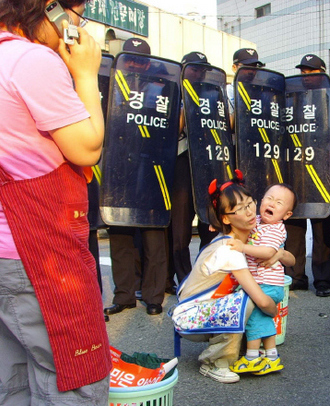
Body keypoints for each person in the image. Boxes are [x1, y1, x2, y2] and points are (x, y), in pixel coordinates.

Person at [0, 0, 111, 403]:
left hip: (6, 256)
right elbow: (86, 146)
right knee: (73, 373)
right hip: (38, 253)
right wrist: (85, 73)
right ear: (51, 10)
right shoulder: (30, 60)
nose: (78, 25)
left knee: (12, 377)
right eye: (77, 13)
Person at [174, 177, 282, 384]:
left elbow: (285, 255)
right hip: (190, 318)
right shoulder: (230, 249)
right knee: (246, 300)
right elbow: (261, 300)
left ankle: (239, 347)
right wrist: (274, 312)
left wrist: (278, 254)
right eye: (240, 209)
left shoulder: (240, 240)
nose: (250, 212)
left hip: (201, 310)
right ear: (225, 219)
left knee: (245, 298)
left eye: (250, 203)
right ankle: (215, 362)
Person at [104, 37, 169, 316]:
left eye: (139, 60)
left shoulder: (161, 88)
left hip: (152, 166)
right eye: (129, 59)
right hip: (118, 166)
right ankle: (125, 295)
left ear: (147, 63)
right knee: (119, 233)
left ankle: (154, 296)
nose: (134, 64)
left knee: (154, 234)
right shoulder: (111, 85)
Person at [227, 184, 297, 375]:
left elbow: (267, 252)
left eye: (279, 202)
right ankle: (272, 356)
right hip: (260, 282)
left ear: (287, 214)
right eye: (269, 198)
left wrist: (242, 247)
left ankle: (252, 357)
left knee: (252, 316)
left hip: (268, 284)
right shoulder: (256, 221)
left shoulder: (276, 229)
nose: (272, 203)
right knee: (263, 316)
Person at [166, 51, 218, 295]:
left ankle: (204, 275)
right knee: (180, 229)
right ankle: (184, 279)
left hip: (208, 161)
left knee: (211, 223)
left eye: (202, 69)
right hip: (181, 162)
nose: (199, 73)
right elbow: (171, 130)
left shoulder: (213, 94)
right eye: (194, 68)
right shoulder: (174, 93)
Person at [284, 54, 330, 297]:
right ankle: (296, 276)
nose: (306, 76)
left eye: (311, 72)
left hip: (321, 175)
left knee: (322, 229)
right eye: (303, 72)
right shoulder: (290, 99)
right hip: (295, 172)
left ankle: (323, 279)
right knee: (293, 227)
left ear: (322, 73)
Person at [226, 48, 264, 128]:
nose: (251, 71)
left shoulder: (261, 92)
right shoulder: (226, 92)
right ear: (234, 67)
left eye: (254, 67)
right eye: (245, 67)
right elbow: (227, 125)